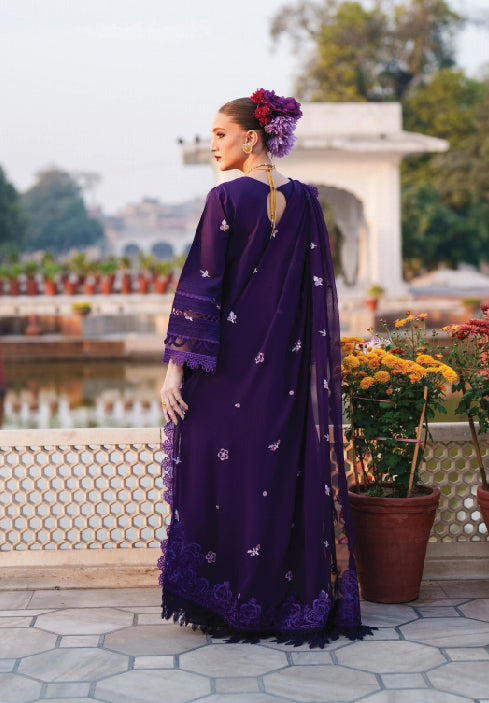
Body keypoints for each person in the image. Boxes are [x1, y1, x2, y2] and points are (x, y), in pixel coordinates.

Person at [158, 89, 371, 647]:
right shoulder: (307, 202)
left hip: (227, 367)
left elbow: (202, 284)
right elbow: (318, 296)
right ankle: (280, 598)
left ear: (251, 137)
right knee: (277, 474)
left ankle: (230, 596)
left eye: (220, 134)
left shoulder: (225, 198)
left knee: (215, 463)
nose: (213, 145)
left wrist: (175, 370)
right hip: (286, 373)